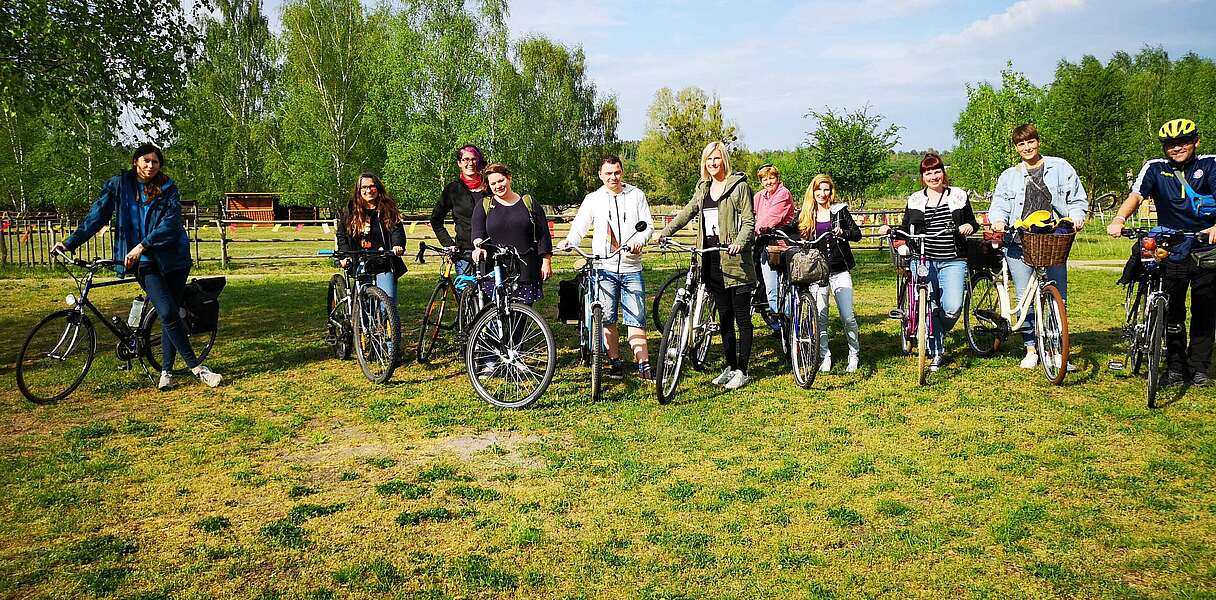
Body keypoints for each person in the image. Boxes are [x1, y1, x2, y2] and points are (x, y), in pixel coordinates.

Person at [54, 144, 222, 390]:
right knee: (166, 311)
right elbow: (97, 216)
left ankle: (167, 371)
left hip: (174, 258)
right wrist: (70, 243)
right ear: (135, 161)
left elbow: (171, 224)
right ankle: (197, 368)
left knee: (170, 313)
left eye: (155, 162)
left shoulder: (167, 188)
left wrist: (143, 245)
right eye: (146, 160)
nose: (150, 166)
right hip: (143, 262)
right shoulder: (119, 185)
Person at [1108, 118, 1216, 387]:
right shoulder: (1155, 169)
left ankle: (1200, 367)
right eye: (1170, 144)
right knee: (1172, 310)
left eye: (1182, 142)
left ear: (1195, 142)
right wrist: (1119, 219)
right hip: (1171, 247)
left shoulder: (1211, 164)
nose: (1176, 148)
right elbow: (1136, 196)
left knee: (1205, 309)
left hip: (1206, 246)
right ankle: (1176, 367)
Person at [656, 141, 756, 390]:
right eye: (709, 160)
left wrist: (739, 243)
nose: (713, 164)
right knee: (724, 317)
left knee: (741, 319)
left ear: (724, 161)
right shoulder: (703, 188)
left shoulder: (739, 186)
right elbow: (688, 212)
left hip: (735, 261)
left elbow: (749, 222)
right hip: (710, 259)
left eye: (717, 159)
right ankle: (730, 366)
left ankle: (743, 370)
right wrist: (665, 232)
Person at [988, 123, 1087, 370]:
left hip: (1052, 238)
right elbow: (999, 202)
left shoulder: (1060, 167)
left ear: (1038, 141)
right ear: (1016, 147)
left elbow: (1077, 198)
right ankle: (1031, 347)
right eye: (1021, 144)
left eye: (1030, 142)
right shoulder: (1009, 175)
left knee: (1057, 297)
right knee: (1025, 297)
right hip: (1018, 240)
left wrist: (1077, 215)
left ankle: (1055, 350)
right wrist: (999, 219)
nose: (1027, 147)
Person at [879, 154, 979, 371]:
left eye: (937, 171)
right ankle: (936, 351)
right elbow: (907, 227)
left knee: (952, 307)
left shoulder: (958, 196)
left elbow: (972, 221)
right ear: (922, 176)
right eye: (928, 173)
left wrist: (969, 227)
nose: (933, 176)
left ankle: (937, 331)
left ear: (943, 172)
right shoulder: (915, 199)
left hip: (953, 259)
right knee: (928, 306)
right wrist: (891, 230)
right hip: (922, 259)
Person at [559, 156, 655, 380]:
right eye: (609, 173)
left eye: (617, 172)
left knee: (636, 317)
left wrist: (639, 241)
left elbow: (647, 226)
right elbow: (580, 224)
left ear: (622, 172)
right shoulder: (593, 199)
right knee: (607, 318)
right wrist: (570, 241)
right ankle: (615, 362)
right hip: (604, 267)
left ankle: (644, 364)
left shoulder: (636, 195)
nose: (614, 177)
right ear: (601, 175)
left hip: (631, 267)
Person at [797, 174, 864, 373]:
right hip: (817, 273)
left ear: (831, 191)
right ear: (813, 191)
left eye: (826, 190)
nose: (823, 194)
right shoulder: (806, 214)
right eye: (819, 190)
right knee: (821, 316)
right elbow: (794, 231)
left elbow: (857, 234)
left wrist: (843, 232)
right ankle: (824, 356)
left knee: (848, 316)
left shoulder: (839, 211)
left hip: (839, 270)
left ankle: (854, 354)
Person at [471, 163, 553, 306]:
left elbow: (543, 235)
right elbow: (477, 232)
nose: (498, 186)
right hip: (495, 269)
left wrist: (546, 261)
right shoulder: (484, 204)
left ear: (509, 178)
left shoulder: (528, 203)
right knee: (497, 319)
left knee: (520, 317)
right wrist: (478, 246)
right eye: (493, 183)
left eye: (501, 180)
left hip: (526, 270)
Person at [335, 172, 407, 300]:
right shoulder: (351, 208)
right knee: (364, 305)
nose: (368, 190)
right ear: (359, 190)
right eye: (364, 187)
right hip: (360, 261)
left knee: (387, 303)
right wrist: (345, 255)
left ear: (378, 188)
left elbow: (396, 229)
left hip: (383, 261)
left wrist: (397, 245)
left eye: (372, 186)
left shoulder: (387, 207)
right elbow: (342, 234)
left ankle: (385, 319)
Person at [430, 144, 487, 275]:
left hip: (489, 250)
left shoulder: (490, 187)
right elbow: (436, 219)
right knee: (465, 292)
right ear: (459, 163)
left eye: (473, 159)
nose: (470, 163)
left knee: (490, 293)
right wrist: (448, 244)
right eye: (465, 159)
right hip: (464, 252)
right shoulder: (453, 189)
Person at [753, 164, 796, 329]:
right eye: (765, 179)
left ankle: (789, 322)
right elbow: (751, 215)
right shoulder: (758, 197)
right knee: (771, 287)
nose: (768, 181)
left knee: (787, 286)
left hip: (783, 243)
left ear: (777, 178)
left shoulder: (783, 194)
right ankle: (778, 324)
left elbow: (772, 218)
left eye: (771, 178)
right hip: (765, 244)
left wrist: (754, 230)